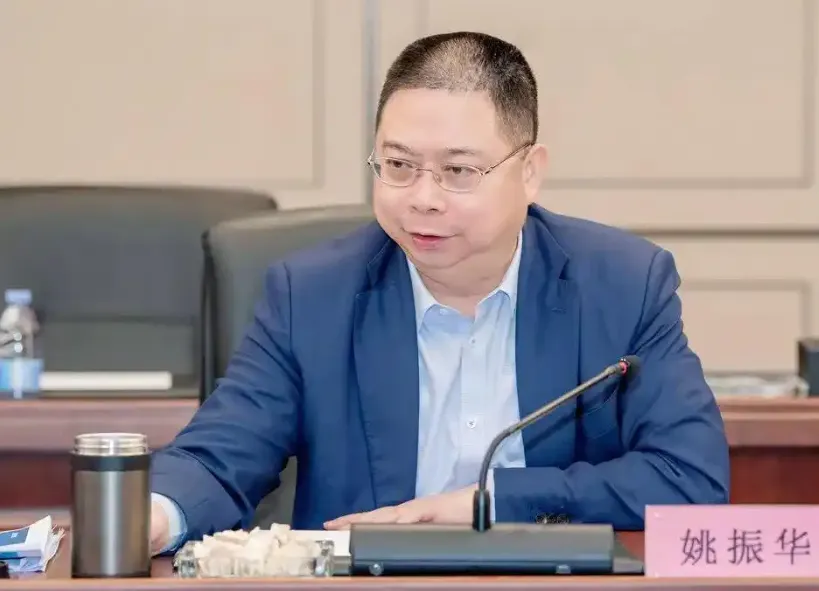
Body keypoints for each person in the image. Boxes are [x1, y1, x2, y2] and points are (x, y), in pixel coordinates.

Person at [148, 31, 730, 554]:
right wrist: (150, 516)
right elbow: (217, 459)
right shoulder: (312, 296)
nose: (423, 198)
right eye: (398, 165)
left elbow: (690, 479)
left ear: (529, 172)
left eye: (458, 171)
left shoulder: (623, 284)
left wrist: (490, 503)